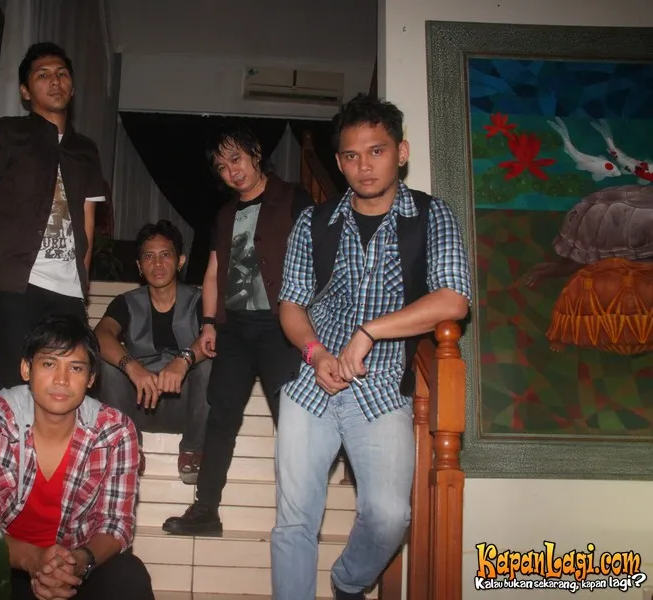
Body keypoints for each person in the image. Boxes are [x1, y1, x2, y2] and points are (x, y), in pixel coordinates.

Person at [270, 94, 472, 600]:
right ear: (339, 163)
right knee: (294, 520)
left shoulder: (430, 216)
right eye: (352, 155)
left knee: (389, 515)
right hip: (311, 386)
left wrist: (371, 330)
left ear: (401, 152)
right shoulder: (314, 222)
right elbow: (291, 305)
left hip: (381, 387)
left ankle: (349, 580)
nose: (364, 166)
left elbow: (453, 299)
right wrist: (316, 353)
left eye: (376, 151)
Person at [161, 124, 313, 536]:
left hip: (282, 327)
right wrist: (209, 323)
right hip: (234, 331)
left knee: (292, 422)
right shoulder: (225, 214)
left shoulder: (293, 197)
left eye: (236, 158)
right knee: (221, 417)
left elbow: (316, 256)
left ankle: (298, 515)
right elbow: (213, 272)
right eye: (222, 166)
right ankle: (205, 511)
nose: (232, 171)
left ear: (256, 153)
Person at [0, 315, 154, 600]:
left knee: (128, 576)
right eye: (49, 364)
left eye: (76, 368)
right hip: (7, 562)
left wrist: (79, 562)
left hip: (76, 567)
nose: (61, 379)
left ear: (91, 378)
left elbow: (116, 523)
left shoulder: (114, 431)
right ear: (26, 369)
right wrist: (33, 560)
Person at [0, 42, 109, 393]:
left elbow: (87, 220)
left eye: (62, 74)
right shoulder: (7, 133)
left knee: (68, 386)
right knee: (14, 383)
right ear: (26, 91)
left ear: (72, 86)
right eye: (43, 75)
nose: (55, 81)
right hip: (14, 283)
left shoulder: (86, 149)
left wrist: (82, 283)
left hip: (67, 289)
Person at [95, 220, 211, 484]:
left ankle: (193, 450)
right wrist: (131, 365)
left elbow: (214, 338)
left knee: (209, 363)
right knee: (108, 364)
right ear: (139, 265)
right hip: (138, 404)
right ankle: (128, 447)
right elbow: (100, 335)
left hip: (186, 405)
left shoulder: (200, 300)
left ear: (180, 261)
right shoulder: (126, 302)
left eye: (165, 255)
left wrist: (184, 360)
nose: (157, 264)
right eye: (149, 256)